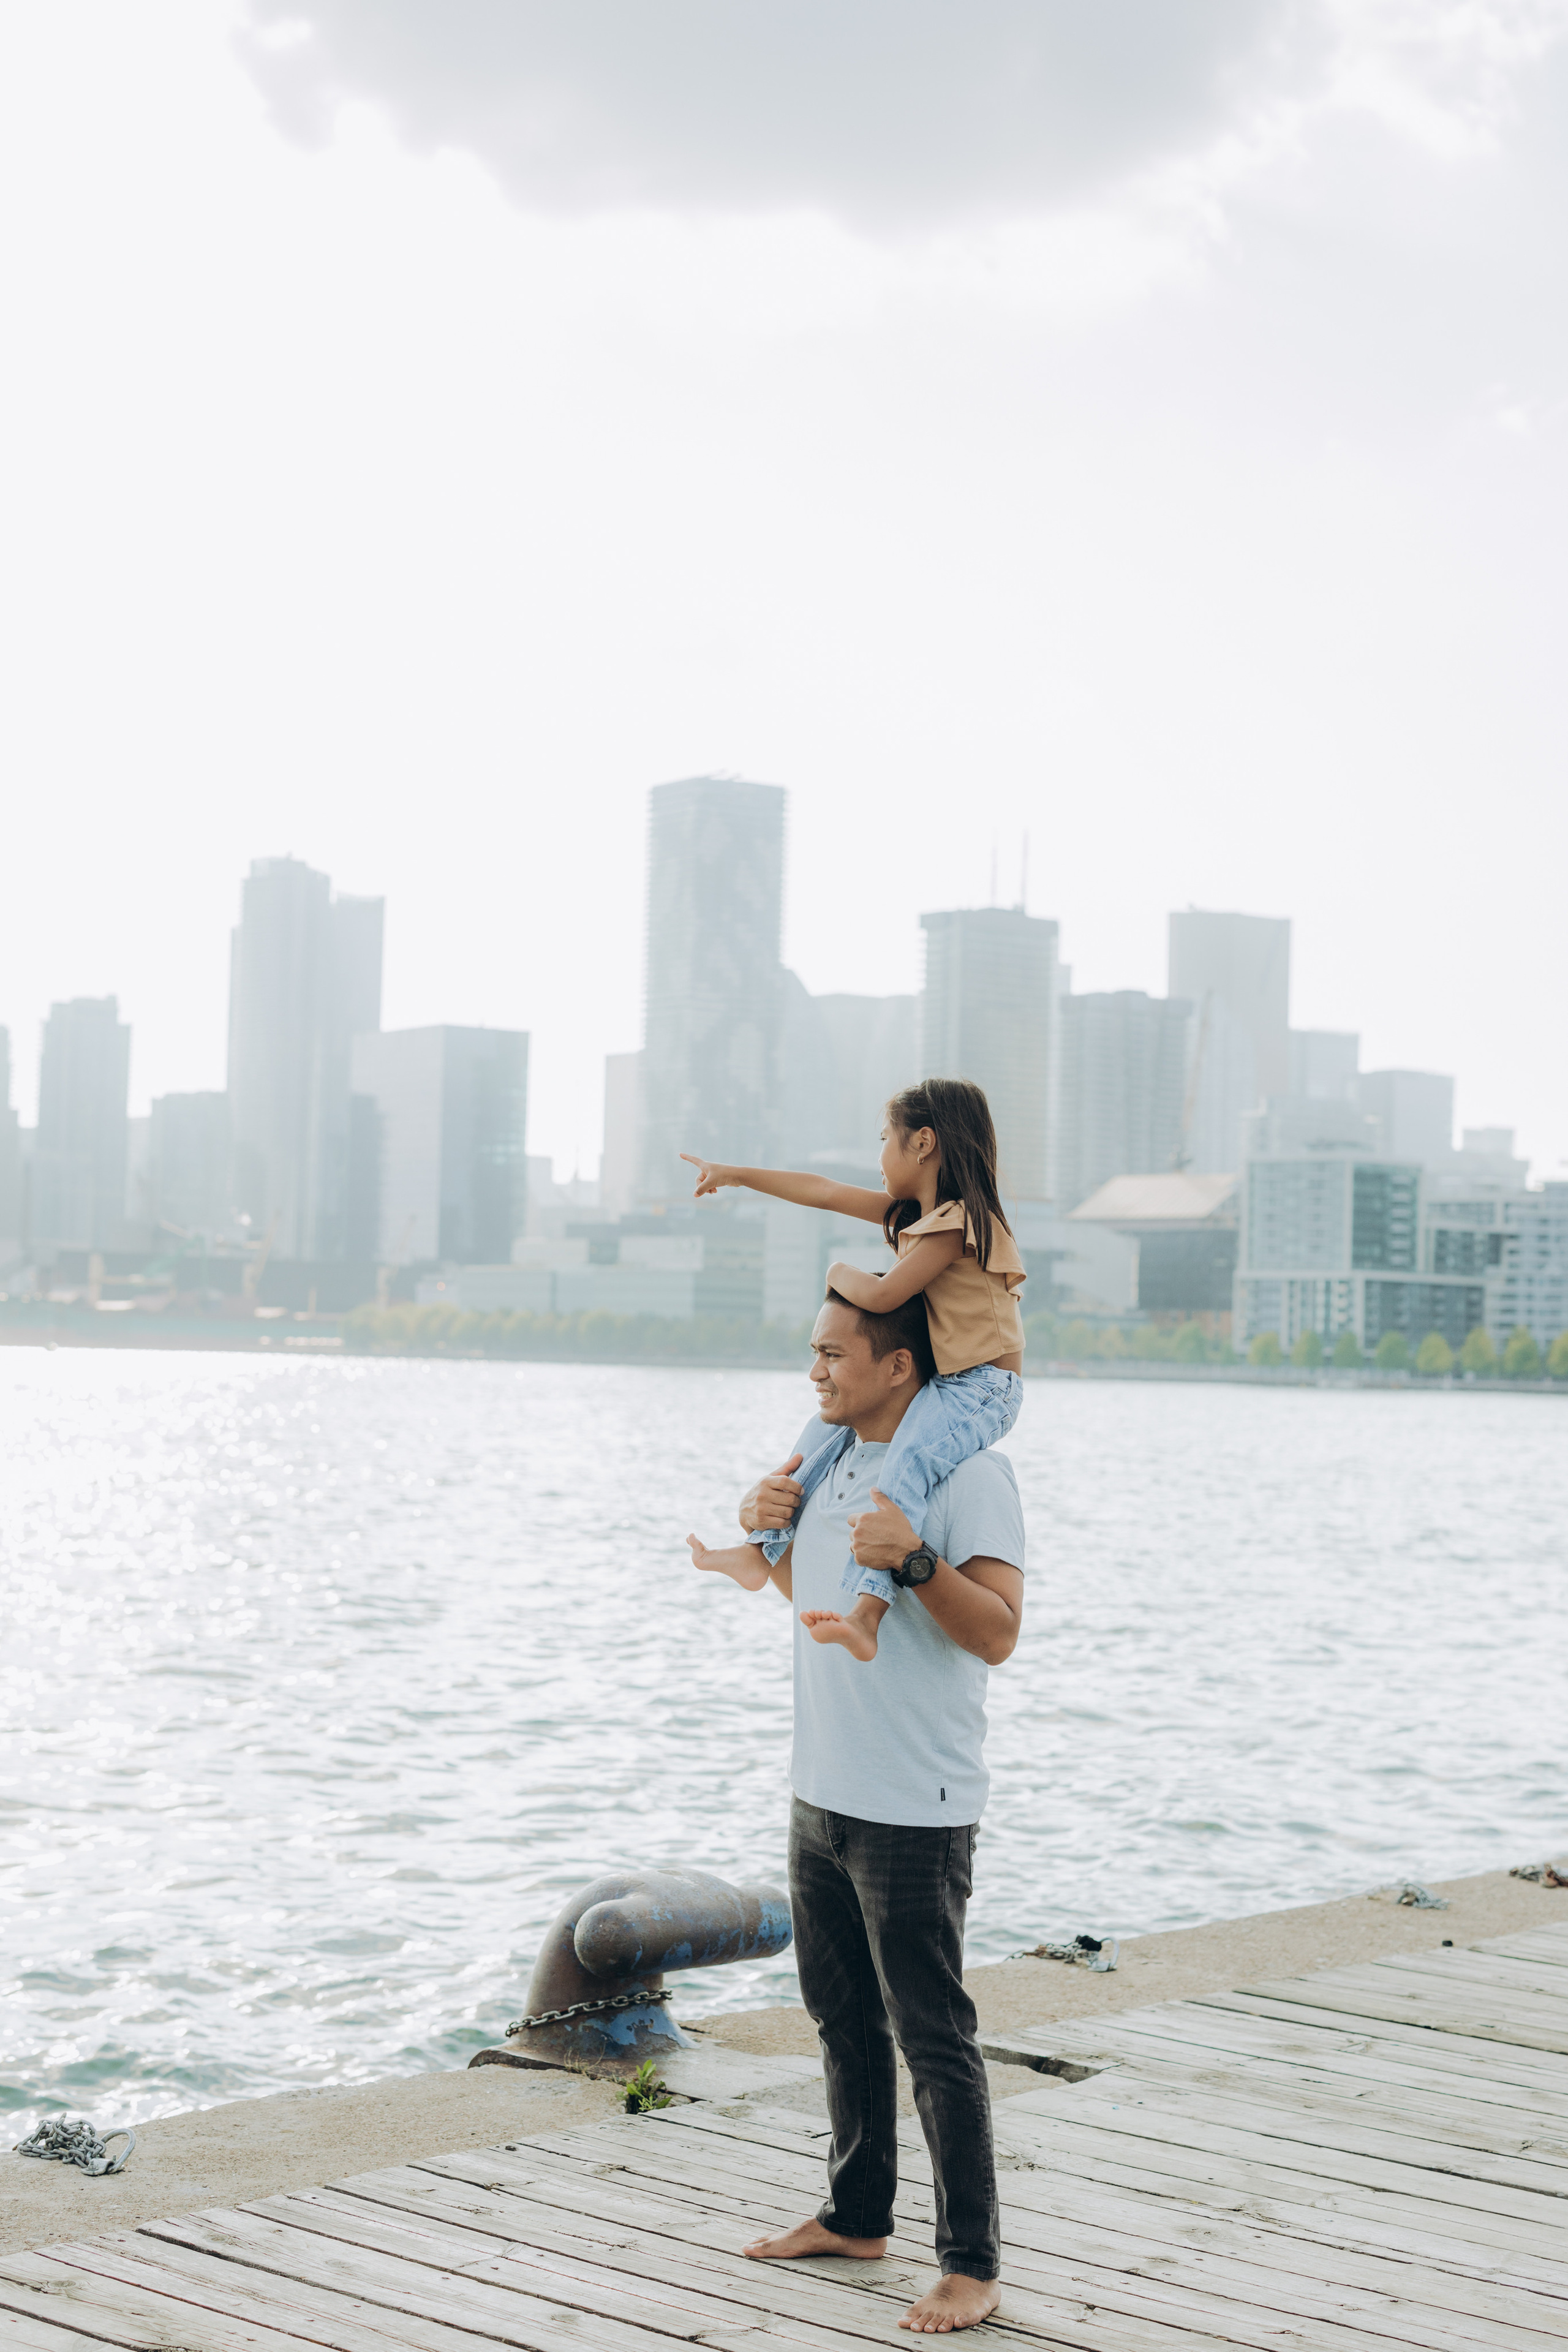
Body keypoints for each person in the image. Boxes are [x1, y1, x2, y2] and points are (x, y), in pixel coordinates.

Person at [690, 1284, 1025, 2333]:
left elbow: (1000, 1632)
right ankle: (856, 2214)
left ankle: (970, 2264)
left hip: (914, 1807)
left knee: (933, 2036)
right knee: (841, 2019)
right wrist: (770, 1532)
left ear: (899, 1368)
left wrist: (916, 1564)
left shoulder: (971, 1474)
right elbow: (816, 1604)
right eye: (813, 1351)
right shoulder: (830, 1463)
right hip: (822, 1789)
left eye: (835, 1353)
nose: (816, 1370)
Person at [682, 1077, 1025, 1662]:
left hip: (983, 1389)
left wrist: (836, 1269)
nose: (880, 1157)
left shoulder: (959, 1223)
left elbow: (886, 1296)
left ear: (922, 1143)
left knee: (905, 1470)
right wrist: (736, 1174)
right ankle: (761, 1549)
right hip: (947, 1382)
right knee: (821, 1431)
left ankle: (868, 1612)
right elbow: (823, 1191)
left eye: (884, 1139)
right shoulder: (919, 1219)